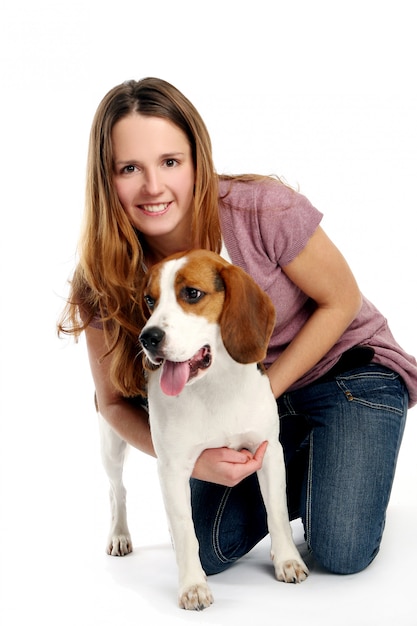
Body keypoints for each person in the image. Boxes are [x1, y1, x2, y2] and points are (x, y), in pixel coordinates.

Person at [58, 77, 417, 576]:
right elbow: (113, 403)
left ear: (196, 159)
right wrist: (194, 461)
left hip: (345, 372)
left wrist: (264, 392)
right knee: (206, 551)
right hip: (235, 404)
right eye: (129, 168)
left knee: (342, 549)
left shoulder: (261, 209)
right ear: (107, 177)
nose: (153, 186)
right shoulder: (102, 273)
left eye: (169, 161)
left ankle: (344, 468)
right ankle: (317, 467)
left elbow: (342, 300)